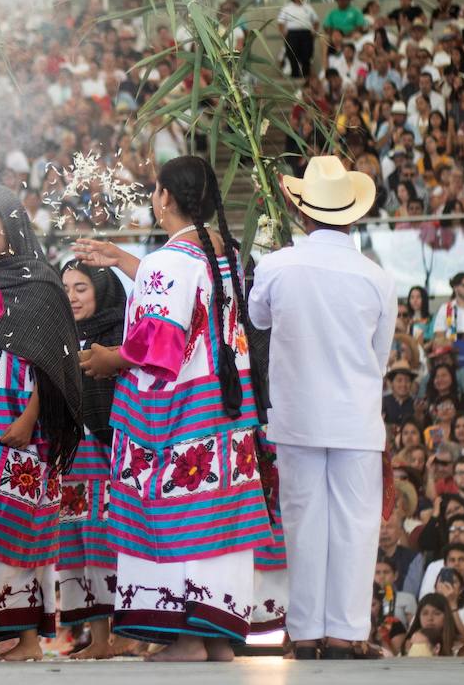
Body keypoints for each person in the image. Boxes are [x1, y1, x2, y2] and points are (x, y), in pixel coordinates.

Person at [78, 155, 271, 661]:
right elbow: (189, 296)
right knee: (218, 518)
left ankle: (185, 639)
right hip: (225, 409)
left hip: (177, 411)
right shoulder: (223, 252)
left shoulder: (170, 261)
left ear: (165, 197)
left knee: (175, 514)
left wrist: (108, 358)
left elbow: (160, 342)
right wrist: (125, 262)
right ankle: (217, 640)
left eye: (155, 190)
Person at [245, 155, 394, 660]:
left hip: (298, 415)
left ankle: (305, 633)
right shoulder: (376, 276)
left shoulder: (277, 264)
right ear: (352, 215)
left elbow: (257, 319)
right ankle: (347, 633)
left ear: (302, 211)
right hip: (355, 415)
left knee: (303, 523)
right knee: (355, 523)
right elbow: (380, 356)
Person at [0, 186, 83, 661]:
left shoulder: (40, 285)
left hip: (26, 425)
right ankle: (18, 638)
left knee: (22, 526)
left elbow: (57, 363)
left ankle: (15, 636)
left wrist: (31, 418)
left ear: (10, 228)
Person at [54, 258, 131, 657]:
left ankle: (128, 636)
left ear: (101, 290)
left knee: (107, 543)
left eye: (81, 288)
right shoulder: (60, 334)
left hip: (108, 454)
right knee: (77, 546)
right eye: (66, 288)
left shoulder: (121, 334)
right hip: (74, 458)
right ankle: (99, 640)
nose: (72, 297)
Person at [278, 0, 319, 79]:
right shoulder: (287, 8)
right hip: (292, 34)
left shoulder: (308, 7)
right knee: (292, 56)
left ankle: (306, 76)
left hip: (306, 34)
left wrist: (314, 32)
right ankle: (294, 75)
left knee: (307, 55)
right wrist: (283, 34)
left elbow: (316, 21)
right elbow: (280, 22)